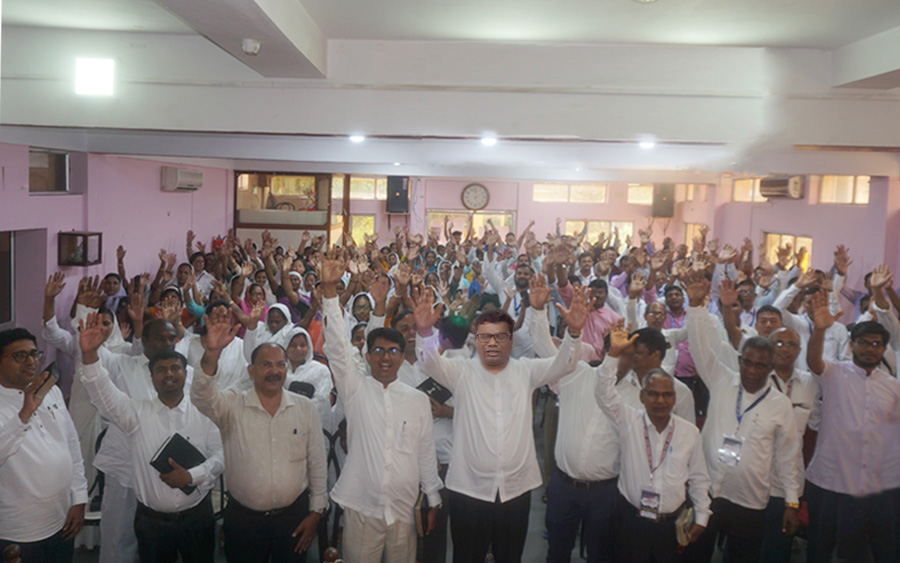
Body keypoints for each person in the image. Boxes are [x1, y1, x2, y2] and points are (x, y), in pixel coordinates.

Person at [414, 279, 591, 563]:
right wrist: (425, 331)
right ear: (476, 339)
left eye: (500, 336)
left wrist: (573, 332)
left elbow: (566, 363)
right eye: (486, 336)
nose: (493, 343)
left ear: (511, 341)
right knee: (467, 557)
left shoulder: (526, 371)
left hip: (515, 490)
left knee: (509, 557)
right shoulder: (461, 372)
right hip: (469, 489)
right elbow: (428, 362)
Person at [320, 253, 442, 563]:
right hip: (362, 509)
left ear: (401, 356)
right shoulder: (356, 390)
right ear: (368, 356)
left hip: (403, 510)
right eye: (378, 351)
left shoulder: (416, 400)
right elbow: (337, 348)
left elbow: (426, 450)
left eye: (392, 351)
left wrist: (433, 497)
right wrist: (330, 291)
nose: (385, 357)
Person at [79, 313, 225, 563]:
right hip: (152, 522)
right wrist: (90, 355)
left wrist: (192, 476)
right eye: (161, 370)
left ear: (186, 374)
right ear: (152, 378)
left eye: (175, 368)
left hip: (198, 516)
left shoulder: (203, 412)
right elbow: (101, 392)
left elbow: (221, 455)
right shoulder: (135, 413)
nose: (169, 374)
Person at [192, 305, 327, 562]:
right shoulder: (232, 404)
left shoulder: (305, 408)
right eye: (266, 365)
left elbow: (317, 464)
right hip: (244, 521)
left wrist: (316, 513)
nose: (274, 371)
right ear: (251, 371)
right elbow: (201, 397)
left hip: (294, 518)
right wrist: (212, 353)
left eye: (280, 365)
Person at [682, 272, 801, 563]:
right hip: (707, 492)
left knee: (741, 557)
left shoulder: (780, 404)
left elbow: (787, 456)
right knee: (695, 554)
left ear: (770, 367)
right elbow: (700, 348)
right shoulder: (721, 380)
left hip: (750, 501)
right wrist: (695, 306)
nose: (752, 371)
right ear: (739, 361)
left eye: (761, 366)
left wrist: (791, 502)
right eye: (747, 363)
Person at [594, 321, 711, 563]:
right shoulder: (628, 421)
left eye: (667, 395)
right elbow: (603, 393)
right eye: (653, 394)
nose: (660, 401)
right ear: (642, 396)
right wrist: (613, 354)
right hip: (630, 521)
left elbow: (699, 477)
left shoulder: (689, 433)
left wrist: (702, 516)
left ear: (675, 398)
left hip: (670, 525)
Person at [804, 283, 900, 563]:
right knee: (820, 549)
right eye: (864, 342)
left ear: (884, 349)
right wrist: (819, 330)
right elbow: (813, 362)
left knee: (862, 551)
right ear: (851, 345)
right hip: (829, 480)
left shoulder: (893, 386)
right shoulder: (835, 373)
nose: (870, 349)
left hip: (872, 485)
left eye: (876, 344)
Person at [528, 275, 619, 563]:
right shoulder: (575, 374)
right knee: (557, 552)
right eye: (614, 351)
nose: (618, 359)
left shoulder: (634, 395)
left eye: (625, 353)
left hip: (606, 492)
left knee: (600, 555)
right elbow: (548, 351)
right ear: (604, 350)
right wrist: (539, 312)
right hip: (564, 487)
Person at [0, 328, 88, 561]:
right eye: (20, 356)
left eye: (34, 354)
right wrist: (25, 412)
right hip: (18, 531)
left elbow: (72, 445)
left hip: (62, 518)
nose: (30, 362)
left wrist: (78, 498)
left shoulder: (51, 392)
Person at [759, 326, 819, 563]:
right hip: (754, 475)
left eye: (791, 344)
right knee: (746, 544)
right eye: (779, 342)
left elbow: (816, 422)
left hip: (789, 479)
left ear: (799, 351)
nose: (785, 348)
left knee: (778, 546)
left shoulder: (810, 384)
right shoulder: (755, 379)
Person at [614, 327, 696, 425]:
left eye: (638, 353)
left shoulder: (681, 392)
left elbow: (687, 429)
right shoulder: (619, 385)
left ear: (656, 355)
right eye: (630, 352)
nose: (632, 357)